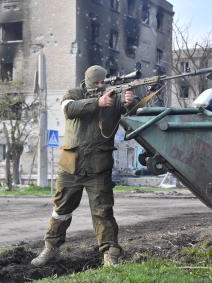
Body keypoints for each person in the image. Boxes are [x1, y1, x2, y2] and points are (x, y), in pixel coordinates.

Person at [31, 65, 135, 267]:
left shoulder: (115, 97)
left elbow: (133, 115)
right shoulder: (73, 94)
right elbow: (69, 109)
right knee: (61, 210)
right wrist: (98, 102)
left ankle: (110, 253)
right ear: (87, 82)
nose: (101, 85)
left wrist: (131, 103)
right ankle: (51, 248)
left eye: (103, 82)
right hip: (71, 167)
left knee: (103, 212)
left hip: (98, 168)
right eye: (96, 83)